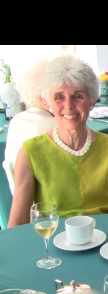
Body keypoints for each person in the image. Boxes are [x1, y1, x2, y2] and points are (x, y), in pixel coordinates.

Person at [7, 55, 108, 228]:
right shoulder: (30, 153)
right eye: (59, 97)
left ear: (92, 101)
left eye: (78, 96)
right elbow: (17, 226)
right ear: (47, 103)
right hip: (54, 248)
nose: (68, 105)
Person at [3, 59, 56, 194]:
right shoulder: (53, 127)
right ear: (45, 96)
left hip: (24, 200)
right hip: (50, 202)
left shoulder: (17, 120)